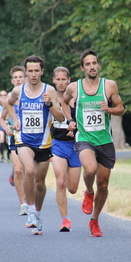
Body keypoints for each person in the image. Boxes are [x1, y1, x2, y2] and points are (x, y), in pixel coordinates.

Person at [62, 49, 125, 237]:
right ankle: (89, 192)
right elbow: (64, 102)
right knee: (89, 169)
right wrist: (69, 120)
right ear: (83, 68)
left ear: (98, 65)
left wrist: (110, 110)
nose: (92, 67)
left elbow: (121, 108)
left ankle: (95, 220)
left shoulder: (109, 86)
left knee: (104, 185)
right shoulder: (75, 88)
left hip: (105, 140)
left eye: (94, 63)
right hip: (84, 138)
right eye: (88, 64)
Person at [6, 57, 64, 235]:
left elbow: (61, 118)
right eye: (29, 71)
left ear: (42, 72)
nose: (33, 74)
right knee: (29, 171)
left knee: (40, 183)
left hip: (44, 142)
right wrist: (15, 120)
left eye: (36, 71)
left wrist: (50, 104)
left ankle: (37, 213)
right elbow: (8, 103)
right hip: (23, 139)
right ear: (25, 72)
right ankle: (30, 210)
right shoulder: (19, 90)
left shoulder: (49, 90)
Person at [51, 67, 82, 232]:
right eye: (58, 79)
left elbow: (83, 119)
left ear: (68, 80)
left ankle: (86, 192)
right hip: (58, 144)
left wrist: (75, 127)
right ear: (54, 80)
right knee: (60, 181)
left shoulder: (76, 98)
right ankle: (65, 220)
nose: (61, 82)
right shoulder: (50, 98)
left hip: (75, 145)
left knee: (72, 188)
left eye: (64, 79)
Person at [0, 66, 28, 216]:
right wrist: (6, 128)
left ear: (25, 79)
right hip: (15, 137)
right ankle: (23, 204)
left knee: (30, 171)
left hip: (32, 138)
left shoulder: (31, 95)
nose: (18, 79)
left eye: (20, 77)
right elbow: (2, 119)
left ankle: (32, 200)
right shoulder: (9, 99)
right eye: (15, 77)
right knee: (19, 170)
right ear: (12, 80)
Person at [0, 90, 10, 163]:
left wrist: (7, 120)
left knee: (7, 140)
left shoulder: (9, 103)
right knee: (1, 139)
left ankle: (8, 154)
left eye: (4, 95)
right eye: (1, 95)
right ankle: (2, 156)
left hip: (8, 123)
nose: (3, 97)